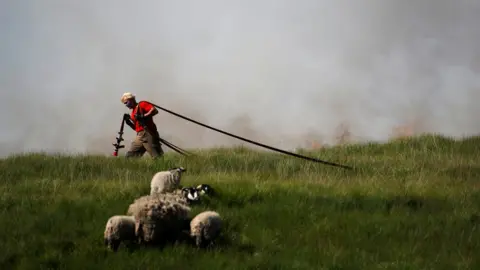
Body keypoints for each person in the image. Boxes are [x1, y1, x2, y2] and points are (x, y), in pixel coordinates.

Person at [120, 92, 164, 158]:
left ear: (131, 99)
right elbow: (137, 128)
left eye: (126, 102)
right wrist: (129, 123)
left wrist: (143, 116)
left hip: (149, 133)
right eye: (125, 104)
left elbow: (155, 110)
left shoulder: (142, 104)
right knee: (130, 157)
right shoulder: (133, 112)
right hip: (140, 135)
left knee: (157, 156)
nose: (126, 105)